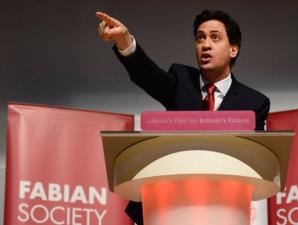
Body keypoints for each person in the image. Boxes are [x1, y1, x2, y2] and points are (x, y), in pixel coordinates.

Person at [96, 9, 270, 225]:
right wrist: (124, 40)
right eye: (200, 38)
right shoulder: (181, 80)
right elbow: (147, 75)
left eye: (215, 37)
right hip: (167, 208)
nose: (206, 45)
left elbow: (259, 163)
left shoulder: (254, 102)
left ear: (233, 49)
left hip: (223, 209)